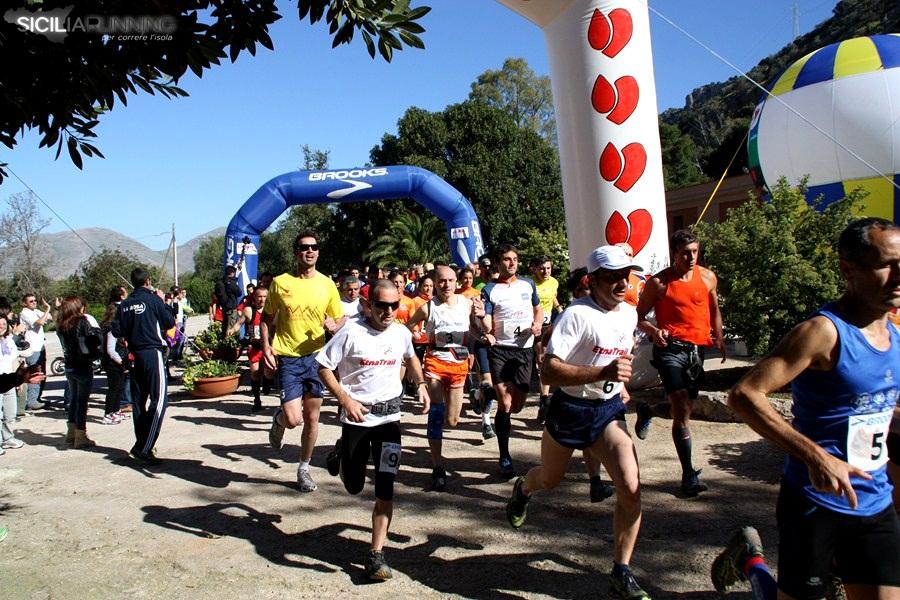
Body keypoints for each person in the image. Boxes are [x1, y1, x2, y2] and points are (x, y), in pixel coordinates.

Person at [711, 217, 900, 599]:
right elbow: (745, 395)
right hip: (815, 502)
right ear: (848, 270)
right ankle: (751, 562)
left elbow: (879, 408)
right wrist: (817, 457)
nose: (898, 275)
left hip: (875, 502)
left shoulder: (893, 334)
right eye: (886, 264)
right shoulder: (823, 332)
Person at [505, 245, 649, 599]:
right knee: (549, 479)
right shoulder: (576, 315)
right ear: (593, 280)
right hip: (570, 408)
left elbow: (619, 356)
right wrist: (602, 372)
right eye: (612, 277)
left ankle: (621, 570)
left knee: (631, 487)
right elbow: (548, 371)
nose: (622, 283)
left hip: (607, 411)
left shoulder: (629, 314)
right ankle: (523, 488)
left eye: (625, 276)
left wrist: (620, 384)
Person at [316, 279, 430, 580]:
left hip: (389, 421)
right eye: (382, 305)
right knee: (354, 486)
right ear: (368, 306)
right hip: (357, 418)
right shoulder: (350, 332)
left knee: (385, 488)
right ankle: (342, 453)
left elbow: (410, 357)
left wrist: (420, 384)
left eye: (394, 305)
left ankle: (376, 554)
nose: (389, 311)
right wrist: (345, 400)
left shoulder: (401, 332)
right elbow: (324, 367)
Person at [636, 229, 726, 496]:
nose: (691, 257)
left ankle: (649, 410)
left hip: (696, 350)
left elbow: (714, 308)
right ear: (674, 253)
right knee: (681, 405)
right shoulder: (659, 283)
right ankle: (689, 475)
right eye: (685, 253)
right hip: (669, 349)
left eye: (695, 252)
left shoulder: (708, 277)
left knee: (684, 407)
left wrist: (719, 336)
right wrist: (654, 331)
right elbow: (638, 316)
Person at [262, 230, 344, 493]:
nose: (310, 251)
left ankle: (303, 469)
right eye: (304, 247)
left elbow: (340, 318)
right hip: (288, 357)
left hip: (316, 358)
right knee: (293, 419)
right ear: (296, 252)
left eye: (314, 247)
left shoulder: (327, 284)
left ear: (318, 252)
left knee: (312, 417)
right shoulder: (280, 282)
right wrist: (266, 347)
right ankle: (280, 420)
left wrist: (334, 325)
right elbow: (266, 318)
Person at [405, 265, 485, 490]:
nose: (446, 285)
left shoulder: (467, 303)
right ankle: (438, 466)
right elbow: (408, 325)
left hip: (459, 364)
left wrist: (481, 322)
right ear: (435, 283)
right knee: (437, 414)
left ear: (456, 282)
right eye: (441, 281)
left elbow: (479, 328)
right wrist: (415, 333)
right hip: (435, 363)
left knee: (453, 421)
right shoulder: (428, 307)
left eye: (450, 280)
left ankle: (477, 395)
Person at [481, 244, 543, 477]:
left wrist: (538, 324)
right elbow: (487, 321)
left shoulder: (528, 284)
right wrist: (484, 326)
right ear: (498, 263)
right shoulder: (490, 289)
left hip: (524, 351)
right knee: (505, 405)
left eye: (515, 259)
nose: (512, 263)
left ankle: (487, 393)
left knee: (517, 406)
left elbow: (537, 310)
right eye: (507, 259)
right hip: (500, 350)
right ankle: (504, 455)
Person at [112, 268, 176, 466]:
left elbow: (116, 330)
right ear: (148, 281)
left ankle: (142, 442)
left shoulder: (124, 304)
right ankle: (144, 447)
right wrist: (163, 302)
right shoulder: (153, 299)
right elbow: (169, 322)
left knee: (139, 402)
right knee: (159, 400)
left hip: (134, 355)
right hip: (151, 352)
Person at [56, 296, 103, 449]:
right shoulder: (82, 321)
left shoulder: (61, 324)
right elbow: (93, 339)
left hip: (69, 364)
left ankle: (71, 432)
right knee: (82, 401)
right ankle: (81, 435)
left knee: (74, 398)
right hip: (83, 364)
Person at [227, 286, 271, 412]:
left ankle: (267, 381)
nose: (262, 299)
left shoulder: (272, 310)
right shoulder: (249, 310)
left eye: (265, 297)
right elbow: (239, 323)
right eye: (259, 296)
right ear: (254, 297)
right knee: (255, 373)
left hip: (268, 346)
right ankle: (257, 400)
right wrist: (232, 330)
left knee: (269, 372)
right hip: (255, 346)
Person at [531, 255, 562, 423]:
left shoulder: (554, 282)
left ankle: (544, 400)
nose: (545, 272)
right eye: (542, 268)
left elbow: (553, 296)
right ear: (535, 269)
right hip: (532, 326)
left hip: (547, 325)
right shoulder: (529, 283)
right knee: (540, 358)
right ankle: (543, 399)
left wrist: (559, 308)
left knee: (544, 359)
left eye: (548, 268)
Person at [99, 286, 129, 425]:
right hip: (113, 363)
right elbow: (111, 350)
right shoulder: (111, 329)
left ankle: (116, 411)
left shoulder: (116, 329)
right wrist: (121, 361)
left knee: (119, 387)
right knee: (113, 388)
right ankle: (108, 414)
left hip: (119, 361)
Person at [20, 293, 53, 410]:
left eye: (35, 300)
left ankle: (37, 398)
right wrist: (47, 309)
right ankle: (32, 401)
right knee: (35, 374)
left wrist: (47, 310)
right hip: (33, 348)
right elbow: (40, 322)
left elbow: (50, 318)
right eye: (31, 301)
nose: (34, 302)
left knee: (42, 374)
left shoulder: (36, 311)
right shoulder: (25, 313)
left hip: (40, 347)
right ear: (25, 303)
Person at [0, 315, 27, 452]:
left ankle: (8, 438)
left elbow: (14, 360)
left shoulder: (9, 341)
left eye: (4, 324)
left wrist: (18, 380)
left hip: (9, 381)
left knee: (10, 413)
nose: (1, 327)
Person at [214, 265, 242, 337]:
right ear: (232, 273)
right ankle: (229, 342)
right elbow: (239, 293)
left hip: (223, 308)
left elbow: (216, 295)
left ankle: (223, 341)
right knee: (231, 328)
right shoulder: (231, 283)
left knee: (224, 326)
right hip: (231, 308)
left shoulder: (220, 282)